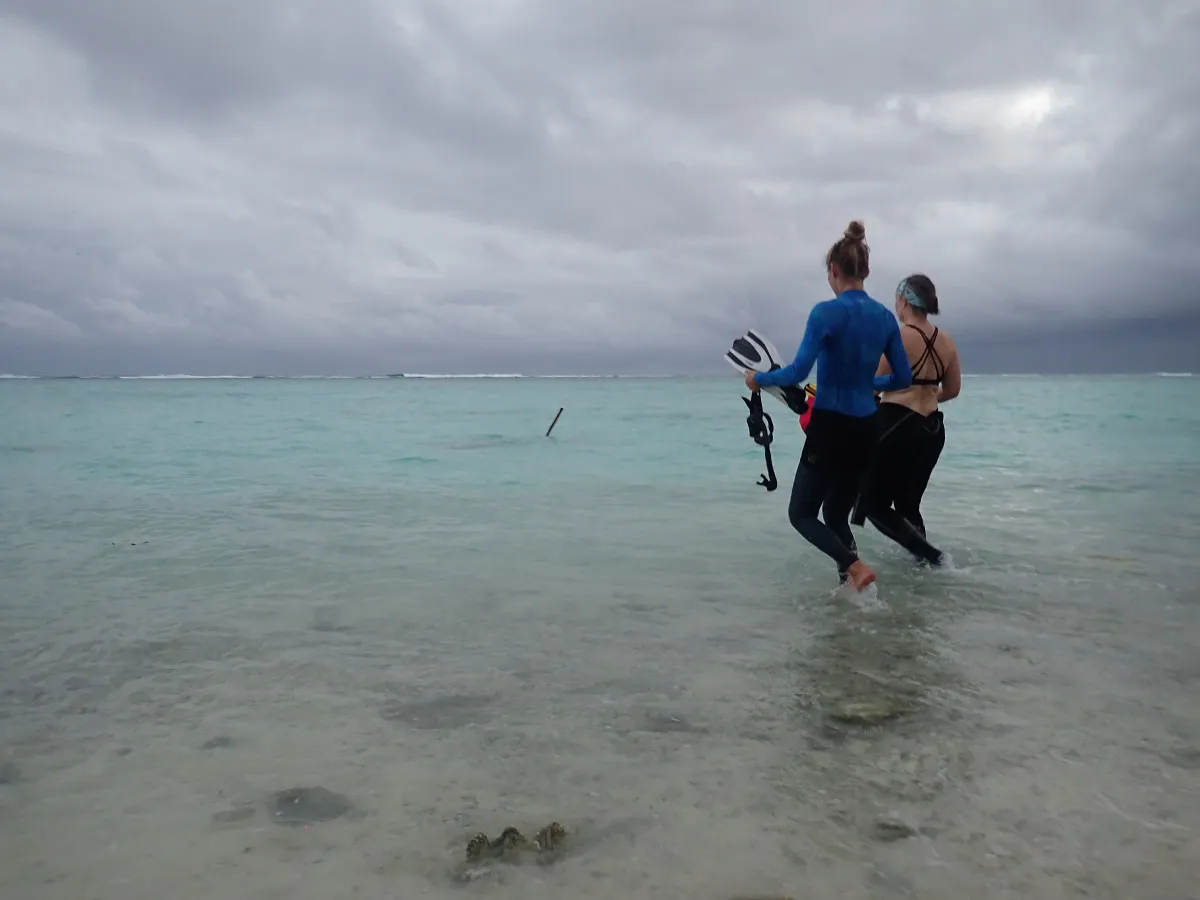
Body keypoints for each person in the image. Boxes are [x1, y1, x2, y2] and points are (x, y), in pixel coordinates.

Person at [745, 221, 912, 591]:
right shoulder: (885, 318)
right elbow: (902, 379)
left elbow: (798, 370)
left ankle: (854, 568)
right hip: (868, 429)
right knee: (835, 514)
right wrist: (869, 382)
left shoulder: (825, 313)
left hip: (830, 428)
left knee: (801, 514)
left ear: (833, 271)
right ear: (865, 272)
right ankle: (854, 598)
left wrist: (758, 379)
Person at [855, 273, 961, 565]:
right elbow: (952, 390)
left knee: (872, 504)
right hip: (932, 430)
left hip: (895, 424)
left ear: (903, 301)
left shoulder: (898, 336)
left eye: (896, 301)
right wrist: (925, 397)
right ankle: (925, 567)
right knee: (907, 504)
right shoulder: (947, 341)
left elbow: (875, 383)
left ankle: (931, 556)